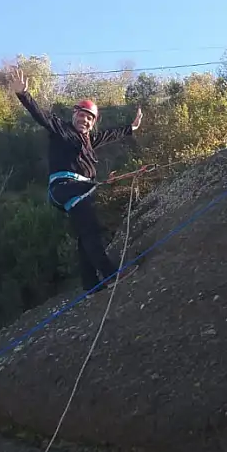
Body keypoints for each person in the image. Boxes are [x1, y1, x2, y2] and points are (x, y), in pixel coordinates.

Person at [8, 66, 142, 294]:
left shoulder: (90, 141)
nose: (85, 121)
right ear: (74, 115)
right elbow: (41, 116)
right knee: (91, 229)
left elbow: (110, 134)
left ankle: (91, 285)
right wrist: (24, 95)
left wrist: (131, 128)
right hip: (66, 187)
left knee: (84, 235)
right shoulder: (61, 130)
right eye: (82, 115)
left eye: (90, 119)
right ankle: (110, 275)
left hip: (77, 189)